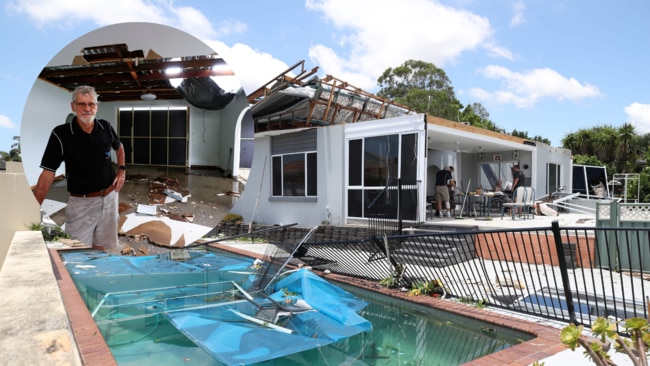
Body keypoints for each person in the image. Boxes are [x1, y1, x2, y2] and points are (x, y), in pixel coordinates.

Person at [33, 85, 126, 253]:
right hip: (82, 202)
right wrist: (32, 207)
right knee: (75, 249)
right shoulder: (61, 134)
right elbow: (48, 172)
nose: (87, 108)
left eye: (91, 104)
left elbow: (119, 147)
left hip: (110, 197)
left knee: (102, 244)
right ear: (73, 106)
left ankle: (97, 272)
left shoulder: (106, 127)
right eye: (81, 104)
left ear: (97, 107)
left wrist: (122, 171)